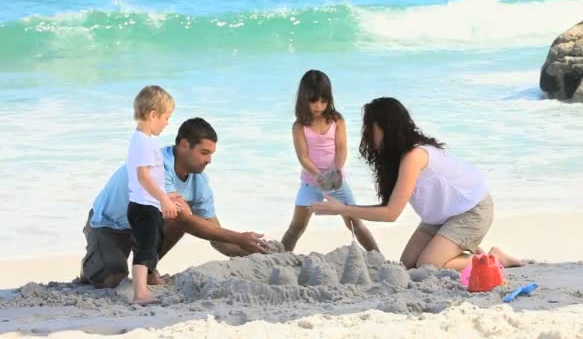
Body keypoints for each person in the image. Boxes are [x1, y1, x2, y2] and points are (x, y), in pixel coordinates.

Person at [311, 97, 523, 271]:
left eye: (369, 126)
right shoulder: (398, 159)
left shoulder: (414, 156)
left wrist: (343, 209)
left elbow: (391, 214)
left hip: (471, 210)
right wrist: (345, 209)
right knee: (408, 265)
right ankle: (460, 248)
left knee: (428, 264)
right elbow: (388, 207)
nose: (366, 132)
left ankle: (494, 259)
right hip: (441, 216)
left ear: (385, 127)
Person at [80, 116, 268, 291]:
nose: (209, 160)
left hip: (145, 227)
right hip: (110, 224)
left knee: (178, 217)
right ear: (184, 145)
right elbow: (185, 220)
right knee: (112, 282)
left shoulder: (199, 180)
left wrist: (256, 251)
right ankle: (91, 264)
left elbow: (215, 235)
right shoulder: (157, 164)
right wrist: (240, 237)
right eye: (204, 153)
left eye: (211, 154)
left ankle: (148, 269)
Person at [281, 70, 379, 252]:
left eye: (323, 101)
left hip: (336, 181)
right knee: (296, 227)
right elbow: (303, 157)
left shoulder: (336, 120)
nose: (318, 106)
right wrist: (320, 176)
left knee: (355, 223)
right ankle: (277, 259)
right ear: (304, 99)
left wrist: (334, 172)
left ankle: (379, 257)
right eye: (313, 101)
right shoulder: (299, 126)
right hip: (311, 182)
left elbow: (341, 149)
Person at [125, 85, 178, 304]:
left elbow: (153, 177)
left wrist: (166, 196)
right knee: (144, 247)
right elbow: (144, 176)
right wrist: (163, 199)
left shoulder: (144, 140)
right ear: (153, 114)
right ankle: (140, 293)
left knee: (153, 243)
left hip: (148, 204)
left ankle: (147, 283)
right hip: (143, 206)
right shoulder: (143, 142)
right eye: (166, 117)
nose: (167, 123)